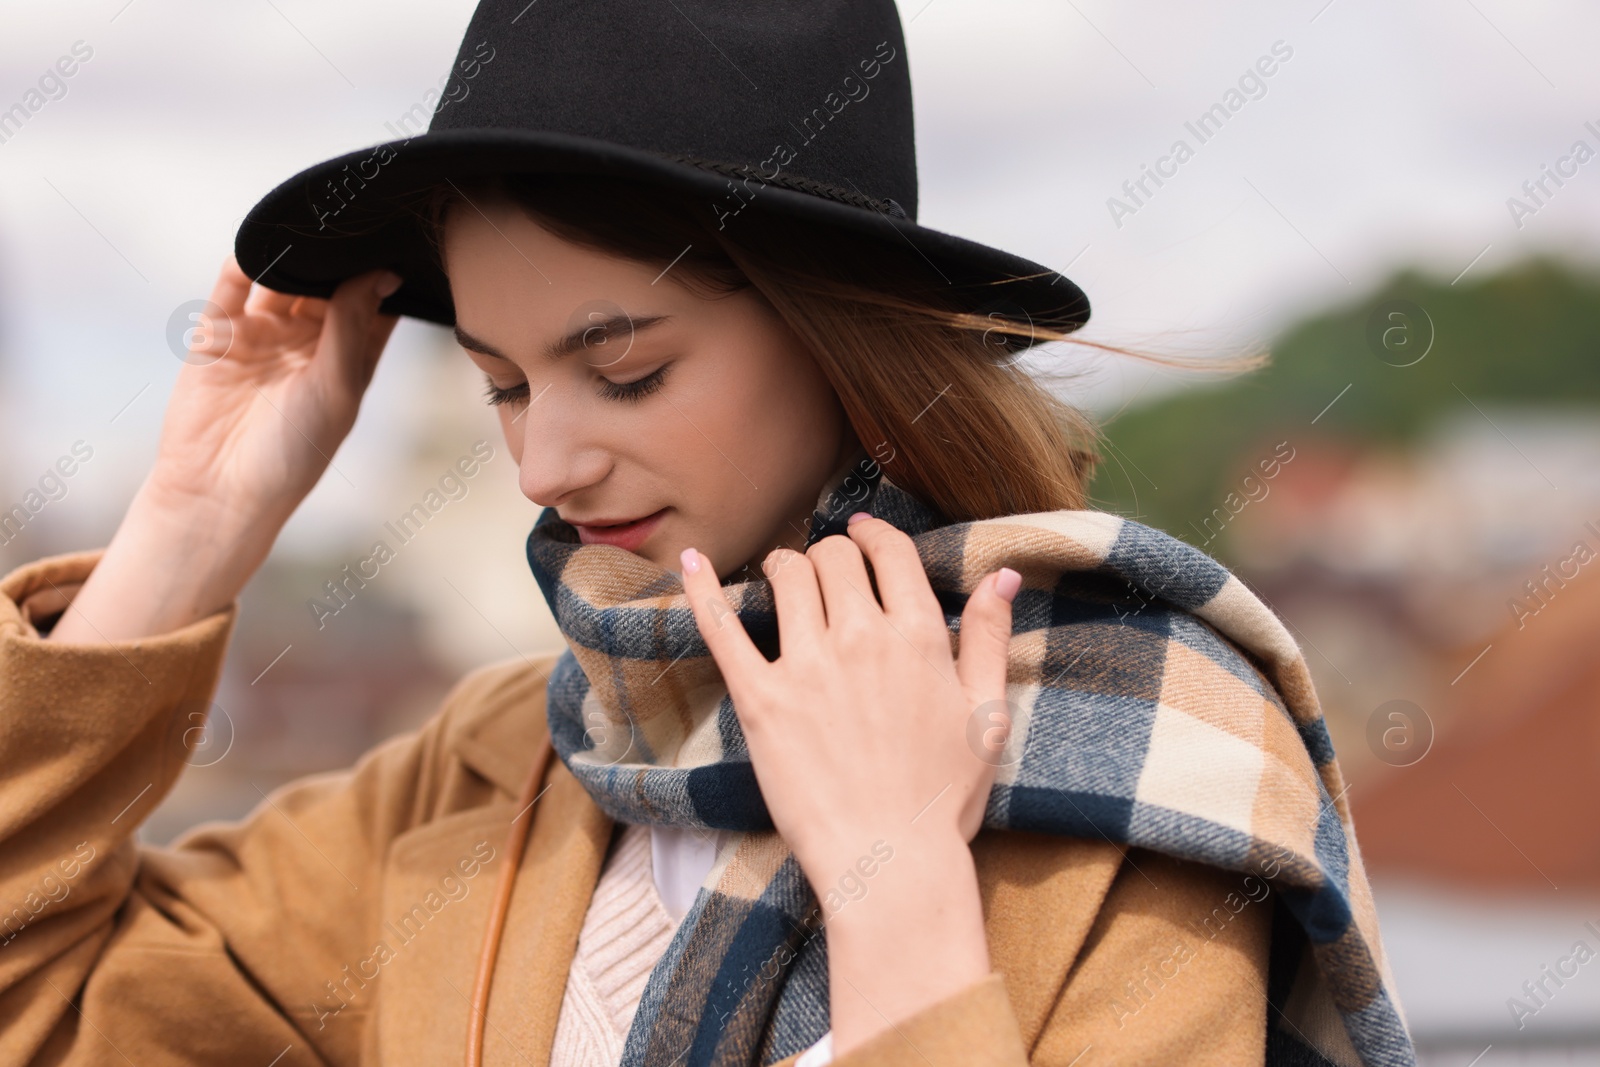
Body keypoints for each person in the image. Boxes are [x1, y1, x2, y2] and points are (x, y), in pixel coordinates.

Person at [0, 2, 1413, 1065]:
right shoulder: (503, 767)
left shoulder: (1139, 757)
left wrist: (898, 887)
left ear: (834, 337)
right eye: (500, 382)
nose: (542, 459)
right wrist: (191, 523)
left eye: (625, 371)